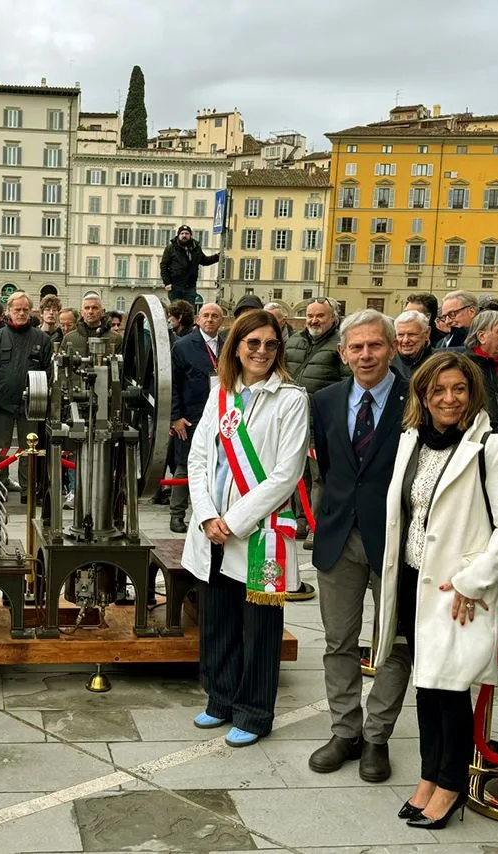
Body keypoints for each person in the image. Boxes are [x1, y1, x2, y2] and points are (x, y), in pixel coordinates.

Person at [378, 350, 498, 828]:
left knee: (451, 693)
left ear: (473, 393)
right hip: (412, 583)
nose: (448, 399)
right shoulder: (411, 442)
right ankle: (428, 778)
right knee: (426, 686)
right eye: (438, 390)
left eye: (458, 390)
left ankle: (451, 786)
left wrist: (473, 579)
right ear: (422, 393)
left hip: (457, 591)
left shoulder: (493, 448)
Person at [182, 309, 309, 748]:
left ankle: (254, 712)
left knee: (260, 627)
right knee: (217, 619)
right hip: (211, 528)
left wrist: (233, 522)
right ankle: (219, 699)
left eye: (270, 344)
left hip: (260, 535)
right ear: (236, 345)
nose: (261, 351)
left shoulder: (291, 399)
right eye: (252, 343)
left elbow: (286, 474)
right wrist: (205, 515)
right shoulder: (219, 392)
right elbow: (199, 459)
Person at [308, 310, 409, 783]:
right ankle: (344, 730)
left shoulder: (415, 398)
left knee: (392, 643)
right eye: (356, 347)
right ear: (343, 353)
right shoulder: (326, 400)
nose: (365, 355)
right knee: (338, 642)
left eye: (374, 345)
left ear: (391, 348)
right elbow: (329, 467)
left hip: (396, 542)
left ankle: (376, 737)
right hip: (338, 539)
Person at [286, 295, 350, 562]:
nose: (313, 320)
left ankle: (316, 526)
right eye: (310, 315)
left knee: (320, 477)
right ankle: (300, 520)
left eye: (319, 316)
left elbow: (348, 384)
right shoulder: (294, 341)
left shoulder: (340, 345)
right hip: (292, 421)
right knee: (294, 474)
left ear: (332, 318)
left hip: (322, 422)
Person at [0, 293, 51, 492]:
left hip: (31, 405)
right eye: (17, 310)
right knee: (0, 447)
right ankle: (0, 484)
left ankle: (28, 488)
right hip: (1, 404)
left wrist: (37, 395)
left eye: (25, 310)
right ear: (8, 312)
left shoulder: (42, 339)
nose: (21, 313)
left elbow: (48, 371)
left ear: (30, 311)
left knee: (29, 449)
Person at [169, 302, 224, 534]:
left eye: (215, 316)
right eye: (206, 316)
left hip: (223, 414)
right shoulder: (182, 346)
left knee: (219, 464)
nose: (210, 320)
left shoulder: (229, 345)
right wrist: (176, 417)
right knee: (185, 466)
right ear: (198, 320)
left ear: (221, 321)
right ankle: (176, 514)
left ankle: (209, 513)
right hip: (191, 416)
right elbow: (171, 383)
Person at [160, 224, 220, 304]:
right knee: (176, 311)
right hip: (175, 286)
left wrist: (218, 256)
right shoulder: (171, 248)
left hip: (190, 286)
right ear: (178, 235)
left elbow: (204, 261)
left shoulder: (196, 248)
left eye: (187, 233)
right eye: (182, 234)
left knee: (189, 311)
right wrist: (167, 282)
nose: (184, 235)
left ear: (190, 235)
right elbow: (163, 266)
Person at [391, 310, 433, 381]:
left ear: (427, 333)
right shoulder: (387, 363)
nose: (405, 340)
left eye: (412, 334)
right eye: (400, 335)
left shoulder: (439, 362)